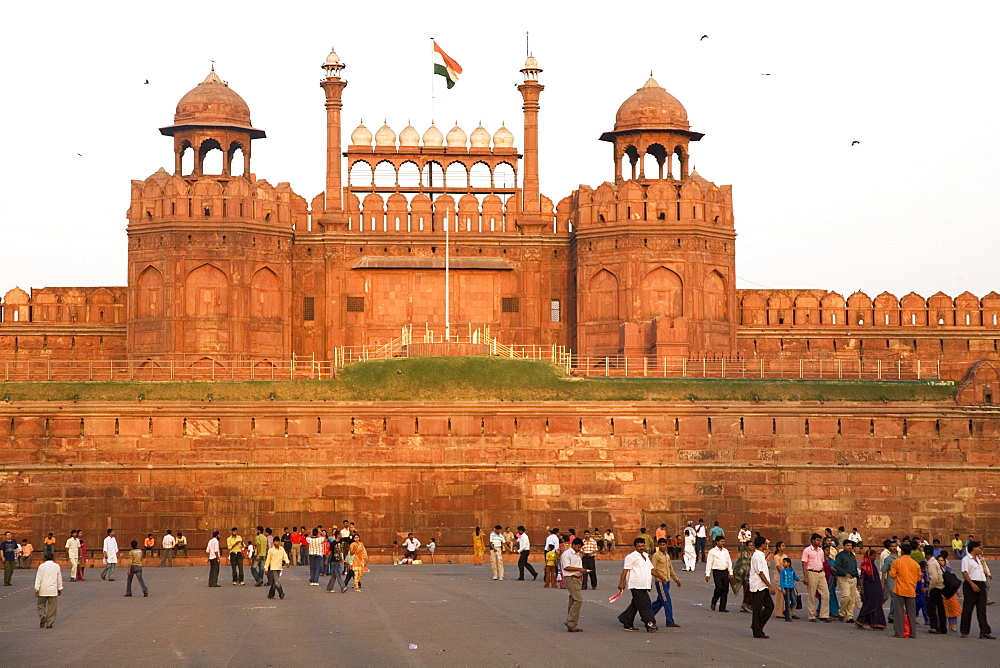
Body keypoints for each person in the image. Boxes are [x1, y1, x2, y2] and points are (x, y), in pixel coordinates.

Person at [616, 537, 657, 632]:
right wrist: (621, 583)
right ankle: (649, 623)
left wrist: (661, 577)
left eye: (643, 546)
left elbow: (651, 570)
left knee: (636, 604)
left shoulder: (646, 556)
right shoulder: (631, 557)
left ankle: (626, 619)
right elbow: (625, 570)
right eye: (639, 546)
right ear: (635, 546)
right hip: (635, 584)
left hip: (644, 584)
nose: (641, 548)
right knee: (645, 605)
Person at [960, 540, 995, 639]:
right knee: (968, 608)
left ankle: (984, 631)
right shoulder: (966, 559)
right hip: (971, 584)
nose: (981, 549)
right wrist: (972, 584)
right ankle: (964, 630)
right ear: (974, 548)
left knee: (982, 609)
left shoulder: (979, 559)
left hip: (981, 583)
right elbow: (965, 572)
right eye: (979, 548)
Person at [889, 542, 921, 638]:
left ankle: (899, 632)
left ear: (902, 552)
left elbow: (892, 575)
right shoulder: (915, 564)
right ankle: (912, 633)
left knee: (899, 612)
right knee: (911, 612)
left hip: (899, 589)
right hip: (911, 590)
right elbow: (919, 578)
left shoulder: (897, 562)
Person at [748, 536, 776, 638]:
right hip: (758, 585)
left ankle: (757, 625)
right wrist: (770, 586)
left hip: (763, 586)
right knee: (758, 609)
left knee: (769, 606)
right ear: (762, 545)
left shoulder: (760, 555)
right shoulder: (756, 556)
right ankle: (757, 630)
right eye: (765, 544)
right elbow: (760, 572)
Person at [854, 547, 887, 630]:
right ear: (869, 557)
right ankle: (860, 621)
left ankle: (876, 623)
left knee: (876, 604)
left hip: (875, 587)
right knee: (869, 604)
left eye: (875, 556)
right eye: (873, 556)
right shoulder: (865, 566)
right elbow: (862, 578)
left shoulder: (873, 565)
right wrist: (862, 588)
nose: (875, 558)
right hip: (868, 588)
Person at [651, 538, 682, 627]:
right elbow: (653, 569)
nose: (662, 546)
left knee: (660, 601)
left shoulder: (666, 555)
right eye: (660, 545)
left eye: (663, 545)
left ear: (666, 545)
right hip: (661, 582)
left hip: (667, 581)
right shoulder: (656, 556)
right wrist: (661, 577)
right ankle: (670, 621)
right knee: (666, 601)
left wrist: (676, 580)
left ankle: (648, 615)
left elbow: (670, 569)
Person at [801, 533, 830, 622]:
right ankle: (812, 615)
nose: (819, 542)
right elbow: (804, 564)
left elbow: (822, 562)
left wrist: (824, 573)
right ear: (813, 540)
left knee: (826, 594)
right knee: (811, 594)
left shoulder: (821, 551)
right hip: (811, 572)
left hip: (820, 573)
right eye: (817, 540)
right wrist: (805, 577)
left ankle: (824, 614)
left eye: (820, 540)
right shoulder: (807, 550)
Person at [561, 537, 587, 632]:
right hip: (570, 578)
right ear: (573, 545)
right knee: (578, 600)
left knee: (573, 600)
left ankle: (572, 624)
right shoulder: (567, 554)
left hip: (576, 578)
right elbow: (566, 567)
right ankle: (570, 622)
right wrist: (579, 569)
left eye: (580, 547)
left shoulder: (577, 554)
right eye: (578, 547)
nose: (579, 549)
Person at [34, 552, 62, 628]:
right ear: (53, 558)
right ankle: (49, 623)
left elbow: (38, 578)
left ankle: (42, 616)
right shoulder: (56, 566)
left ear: (44, 558)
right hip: (53, 590)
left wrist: (37, 588)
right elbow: (59, 579)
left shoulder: (41, 566)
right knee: (52, 608)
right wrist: (60, 588)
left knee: (40, 605)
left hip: (43, 589)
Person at [834, 539, 859, 622]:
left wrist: (858, 581)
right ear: (844, 546)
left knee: (852, 599)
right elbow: (837, 566)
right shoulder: (840, 555)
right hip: (844, 578)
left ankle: (849, 616)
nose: (849, 547)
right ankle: (841, 612)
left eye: (851, 546)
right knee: (846, 596)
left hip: (853, 578)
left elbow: (855, 568)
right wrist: (845, 573)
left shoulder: (852, 555)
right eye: (848, 545)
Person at [706, 536, 733, 612]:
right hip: (716, 571)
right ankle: (714, 601)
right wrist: (707, 574)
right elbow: (709, 562)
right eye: (721, 541)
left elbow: (729, 562)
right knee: (719, 587)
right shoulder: (712, 551)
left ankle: (722, 607)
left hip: (725, 571)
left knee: (725, 589)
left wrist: (730, 572)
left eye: (724, 541)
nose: (723, 543)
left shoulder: (725, 551)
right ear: (717, 542)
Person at [924, 544, 946, 634]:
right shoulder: (935, 561)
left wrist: (929, 588)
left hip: (935, 587)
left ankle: (935, 627)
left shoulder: (931, 563)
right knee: (940, 608)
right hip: (940, 586)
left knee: (931, 608)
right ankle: (942, 627)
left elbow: (934, 578)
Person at [770, 542, 790, 620]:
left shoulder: (785, 556)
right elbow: (779, 567)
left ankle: (786, 611)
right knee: (780, 593)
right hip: (779, 575)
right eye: (782, 546)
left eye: (784, 545)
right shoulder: (776, 556)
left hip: (785, 575)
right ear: (778, 547)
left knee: (786, 592)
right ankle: (779, 612)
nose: (784, 547)